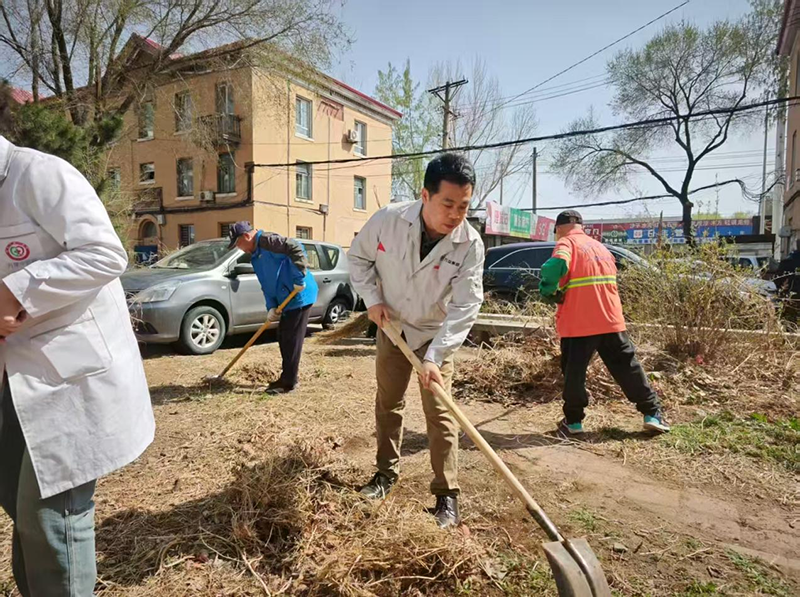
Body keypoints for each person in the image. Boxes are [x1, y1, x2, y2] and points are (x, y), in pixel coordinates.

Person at [0, 134, 155, 595]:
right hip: (16, 376)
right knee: (18, 503)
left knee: (49, 515)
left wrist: (16, 290)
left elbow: (106, 253)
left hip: (71, 378)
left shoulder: (36, 174)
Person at [348, 153, 484, 528]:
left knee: (441, 415)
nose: (456, 214)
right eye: (448, 204)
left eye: (464, 206)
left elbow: (466, 305)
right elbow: (358, 260)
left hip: (434, 335)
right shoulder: (388, 220)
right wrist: (372, 301)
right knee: (388, 403)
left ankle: (446, 495)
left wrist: (436, 357)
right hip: (392, 327)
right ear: (425, 195)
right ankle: (385, 474)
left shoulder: (469, 244)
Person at [538, 210, 670, 436]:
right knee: (627, 368)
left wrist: (548, 290)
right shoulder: (600, 247)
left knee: (574, 373)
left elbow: (554, 266)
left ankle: (574, 422)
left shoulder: (567, 243)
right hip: (610, 320)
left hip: (580, 322)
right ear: (581, 226)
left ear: (559, 229)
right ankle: (652, 413)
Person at [228, 222, 318, 395]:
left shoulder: (268, 241)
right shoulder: (256, 255)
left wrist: (299, 278)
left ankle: (288, 382)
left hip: (299, 295)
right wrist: (271, 306)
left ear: (246, 237)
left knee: (291, 340)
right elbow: (266, 284)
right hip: (285, 299)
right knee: (283, 337)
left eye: (238, 244)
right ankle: (287, 378)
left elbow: (296, 248)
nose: (239, 249)